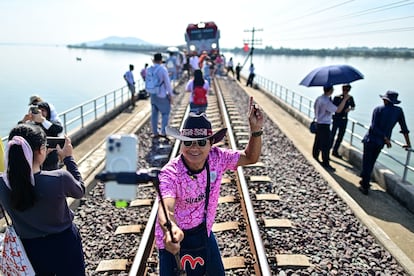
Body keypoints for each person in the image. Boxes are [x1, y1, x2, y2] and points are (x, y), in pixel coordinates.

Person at [155, 99, 264, 275]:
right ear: (181, 143)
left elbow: (250, 157)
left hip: (202, 232)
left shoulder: (217, 158)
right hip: (173, 239)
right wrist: (170, 229)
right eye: (188, 142)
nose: (194, 148)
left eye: (201, 142)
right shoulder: (170, 172)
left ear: (211, 143)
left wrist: (256, 130)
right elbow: (166, 206)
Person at [0, 123, 86, 275]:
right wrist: (68, 159)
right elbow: (80, 191)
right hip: (64, 244)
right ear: (41, 150)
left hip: (29, 250)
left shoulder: (2, 184)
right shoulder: (60, 178)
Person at [359, 91, 411, 195]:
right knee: (372, 161)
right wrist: (408, 143)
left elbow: (373, 127)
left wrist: (385, 138)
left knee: (367, 162)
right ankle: (365, 180)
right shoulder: (399, 111)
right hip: (380, 142)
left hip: (371, 139)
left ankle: (364, 185)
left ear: (385, 100)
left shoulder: (378, 109)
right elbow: (404, 128)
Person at [312, 85, 350, 171]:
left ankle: (315, 156)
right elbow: (338, 110)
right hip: (324, 124)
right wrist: (344, 100)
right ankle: (326, 163)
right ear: (330, 90)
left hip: (318, 122)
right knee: (326, 144)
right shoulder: (326, 101)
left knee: (317, 141)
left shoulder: (319, 98)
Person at [19, 101, 63, 170]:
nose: (41, 113)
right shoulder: (32, 124)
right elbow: (18, 133)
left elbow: (58, 129)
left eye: (43, 110)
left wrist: (43, 121)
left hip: (50, 161)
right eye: (39, 111)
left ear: (48, 112)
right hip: (35, 162)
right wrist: (24, 121)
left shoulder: (52, 122)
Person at [149, 53, 173, 139]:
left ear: (154, 60)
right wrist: (170, 95)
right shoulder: (162, 69)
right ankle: (163, 132)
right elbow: (167, 83)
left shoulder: (149, 69)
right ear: (160, 60)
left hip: (152, 94)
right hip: (162, 95)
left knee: (154, 114)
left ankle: (155, 132)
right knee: (165, 113)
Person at [330, 84, 356, 158]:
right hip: (336, 118)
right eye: (344, 89)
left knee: (340, 136)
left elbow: (353, 106)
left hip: (344, 119)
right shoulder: (337, 97)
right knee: (332, 134)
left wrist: (350, 109)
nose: (346, 91)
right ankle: (328, 149)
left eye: (347, 90)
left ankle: (335, 151)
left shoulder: (350, 98)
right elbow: (333, 107)